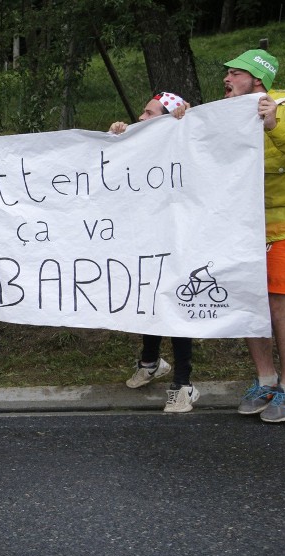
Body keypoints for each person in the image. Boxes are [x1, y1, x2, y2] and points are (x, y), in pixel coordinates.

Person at [223, 49, 285, 423]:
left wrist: (275, 126)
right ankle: (265, 380)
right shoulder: (226, 113)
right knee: (251, 307)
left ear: (256, 79)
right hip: (245, 228)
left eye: (234, 72)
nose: (226, 79)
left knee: (278, 308)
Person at [110, 92, 199, 413]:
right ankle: (150, 362)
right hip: (146, 239)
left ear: (168, 118)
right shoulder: (141, 142)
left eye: (148, 114)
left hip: (179, 240)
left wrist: (187, 120)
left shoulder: (184, 143)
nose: (141, 119)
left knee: (174, 307)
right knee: (148, 298)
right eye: (142, 113)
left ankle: (184, 384)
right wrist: (116, 139)